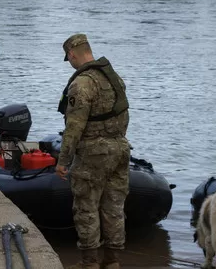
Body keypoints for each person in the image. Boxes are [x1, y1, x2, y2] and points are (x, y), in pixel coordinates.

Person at [55, 33, 130, 269]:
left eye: (69, 59)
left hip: (93, 153)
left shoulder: (81, 84)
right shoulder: (114, 78)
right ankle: (112, 261)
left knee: (86, 207)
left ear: (71, 54)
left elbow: (74, 128)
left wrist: (63, 161)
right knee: (114, 207)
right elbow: (123, 116)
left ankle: (89, 263)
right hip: (120, 148)